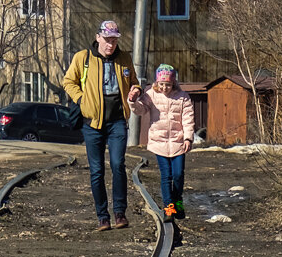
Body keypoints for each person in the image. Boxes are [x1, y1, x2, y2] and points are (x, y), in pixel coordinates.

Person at [63, 19, 140, 231]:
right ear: (98, 37)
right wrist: (80, 99)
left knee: (118, 165)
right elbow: (68, 81)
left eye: (114, 40)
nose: (110, 45)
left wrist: (136, 90)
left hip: (117, 121)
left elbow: (134, 81)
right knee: (97, 171)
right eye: (107, 40)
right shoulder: (83, 58)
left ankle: (120, 213)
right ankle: (102, 216)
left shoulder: (124, 58)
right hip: (92, 123)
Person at [128, 64, 195, 221]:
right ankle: (168, 209)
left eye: (168, 84)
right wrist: (132, 101)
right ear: (157, 83)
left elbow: (188, 118)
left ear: (174, 83)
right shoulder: (150, 95)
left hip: (178, 142)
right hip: (159, 142)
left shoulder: (183, 97)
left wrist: (188, 138)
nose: (165, 88)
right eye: (162, 84)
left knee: (178, 175)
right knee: (166, 176)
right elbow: (140, 109)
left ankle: (178, 204)